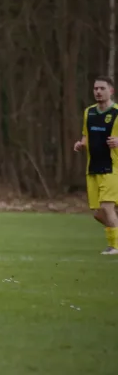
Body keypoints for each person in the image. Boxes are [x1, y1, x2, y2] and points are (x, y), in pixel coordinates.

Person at [74, 76, 118, 255]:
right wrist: (81, 144)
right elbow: (86, 135)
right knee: (98, 213)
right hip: (92, 168)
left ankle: (114, 246)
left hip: (112, 167)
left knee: (107, 208)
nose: (98, 92)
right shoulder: (89, 112)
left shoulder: (117, 112)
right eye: (96, 89)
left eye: (102, 88)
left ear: (111, 91)